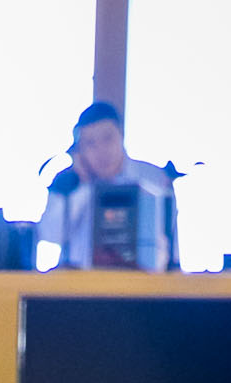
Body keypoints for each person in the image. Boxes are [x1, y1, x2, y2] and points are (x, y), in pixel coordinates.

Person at [38, 102, 178, 271]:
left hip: (143, 287)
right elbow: (50, 234)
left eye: (107, 138)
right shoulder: (67, 184)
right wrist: (83, 185)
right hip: (81, 290)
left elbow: (170, 245)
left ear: (122, 135)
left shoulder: (154, 179)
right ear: (79, 149)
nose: (101, 150)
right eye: (90, 143)